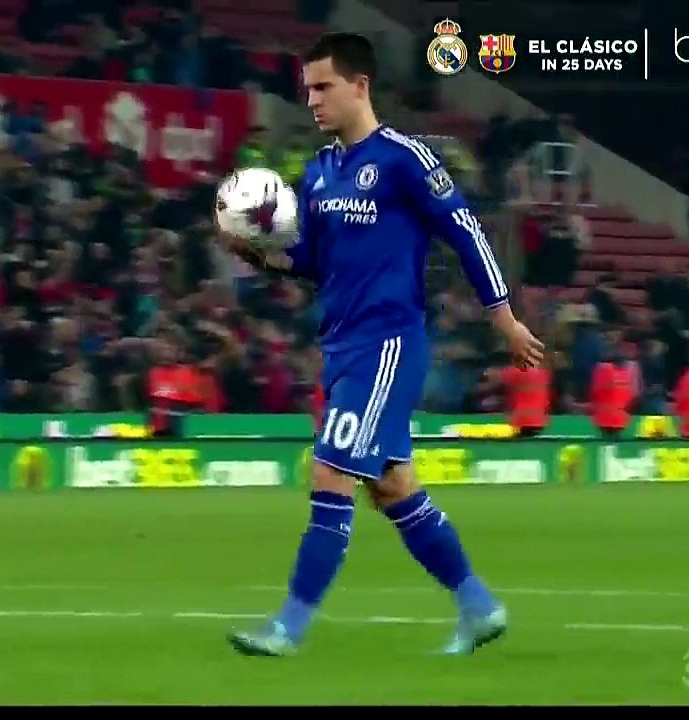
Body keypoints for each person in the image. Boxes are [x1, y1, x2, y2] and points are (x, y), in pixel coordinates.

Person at [219, 32, 543, 657]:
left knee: (330, 472)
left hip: (388, 343)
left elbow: (467, 232)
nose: (311, 100)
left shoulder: (404, 159)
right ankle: (479, 607)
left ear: (359, 86)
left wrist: (502, 318)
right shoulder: (318, 172)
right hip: (342, 347)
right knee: (393, 487)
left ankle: (287, 628)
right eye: (306, 89)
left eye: (323, 87)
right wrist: (258, 252)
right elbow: (312, 262)